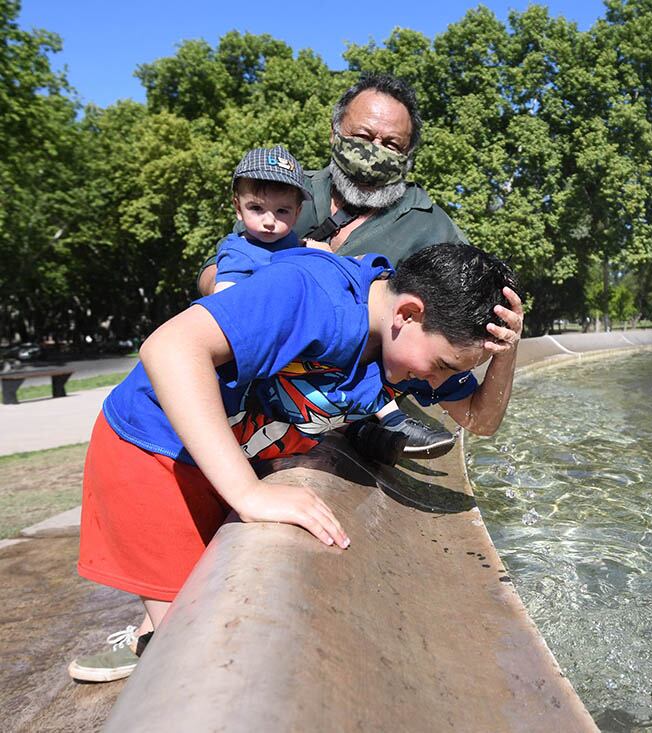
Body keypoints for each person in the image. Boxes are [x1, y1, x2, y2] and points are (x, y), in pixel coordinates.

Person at [68, 242, 523, 683]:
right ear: (407, 313)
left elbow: (480, 421)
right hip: (156, 455)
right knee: (190, 652)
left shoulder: (405, 345)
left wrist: (507, 353)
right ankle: (152, 645)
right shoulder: (308, 292)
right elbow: (169, 348)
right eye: (441, 365)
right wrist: (247, 493)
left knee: (206, 604)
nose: (438, 381)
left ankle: (147, 637)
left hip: (226, 455)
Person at [197, 72, 470, 458]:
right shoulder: (282, 192)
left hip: (355, 377)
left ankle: (369, 424)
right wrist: (259, 301)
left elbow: (459, 313)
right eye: (362, 137)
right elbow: (216, 268)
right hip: (263, 355)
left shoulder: (431, 224)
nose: (376, 151)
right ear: (334, 133)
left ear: (408, 156)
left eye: (392, 144)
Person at [212, 145, 326, 293]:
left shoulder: (287, 239)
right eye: (256, 208)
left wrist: (311, 246)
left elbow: (292, 246)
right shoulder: (237, 255)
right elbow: (225, 298)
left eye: (282, 211)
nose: (269, 222)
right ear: (238, 208)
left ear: (297, 213)